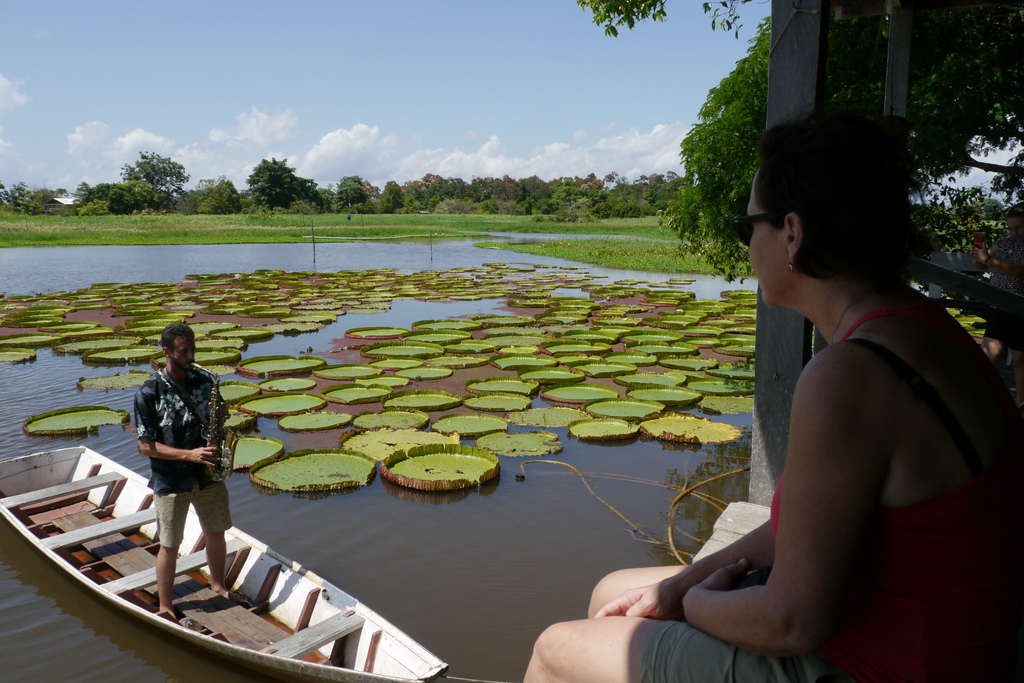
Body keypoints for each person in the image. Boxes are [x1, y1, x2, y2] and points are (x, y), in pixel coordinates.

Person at [525, 112, 1024, 683]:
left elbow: (790, 623)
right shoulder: (922, 329)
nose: (746, 247)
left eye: (748, 227)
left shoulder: (850, 373)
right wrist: (679, 584)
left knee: (555, 649)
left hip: (882, 667)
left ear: (792, 233)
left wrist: (692, 605)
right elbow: (795, 529)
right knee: (615, 591)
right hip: (950, 647)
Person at [135, 322, 236, 620]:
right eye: (184, 351)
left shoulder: (203, 381)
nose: (191, 356)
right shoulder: (149, 392)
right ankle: (165, 605)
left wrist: (221, 412)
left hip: (208, 473)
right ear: (167, 352)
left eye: (193, 349)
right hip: (171, 477)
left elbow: (216, 413)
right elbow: (144, 446)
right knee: (169, 544)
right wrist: (188, 455)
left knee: (216, 533)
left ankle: (218, 585)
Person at [972, 203, 1024, 405]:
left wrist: (986, 260)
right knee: (987, 353)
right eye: (1010, 228)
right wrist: (979, 255)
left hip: (1021, 307)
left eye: (1019, 228)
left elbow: (1017, 271)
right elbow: (981, 262)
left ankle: (1021, 407)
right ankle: (991, 404)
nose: (1014, 233)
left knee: (1020, 359)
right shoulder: (1005, 239)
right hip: (1000, 304)